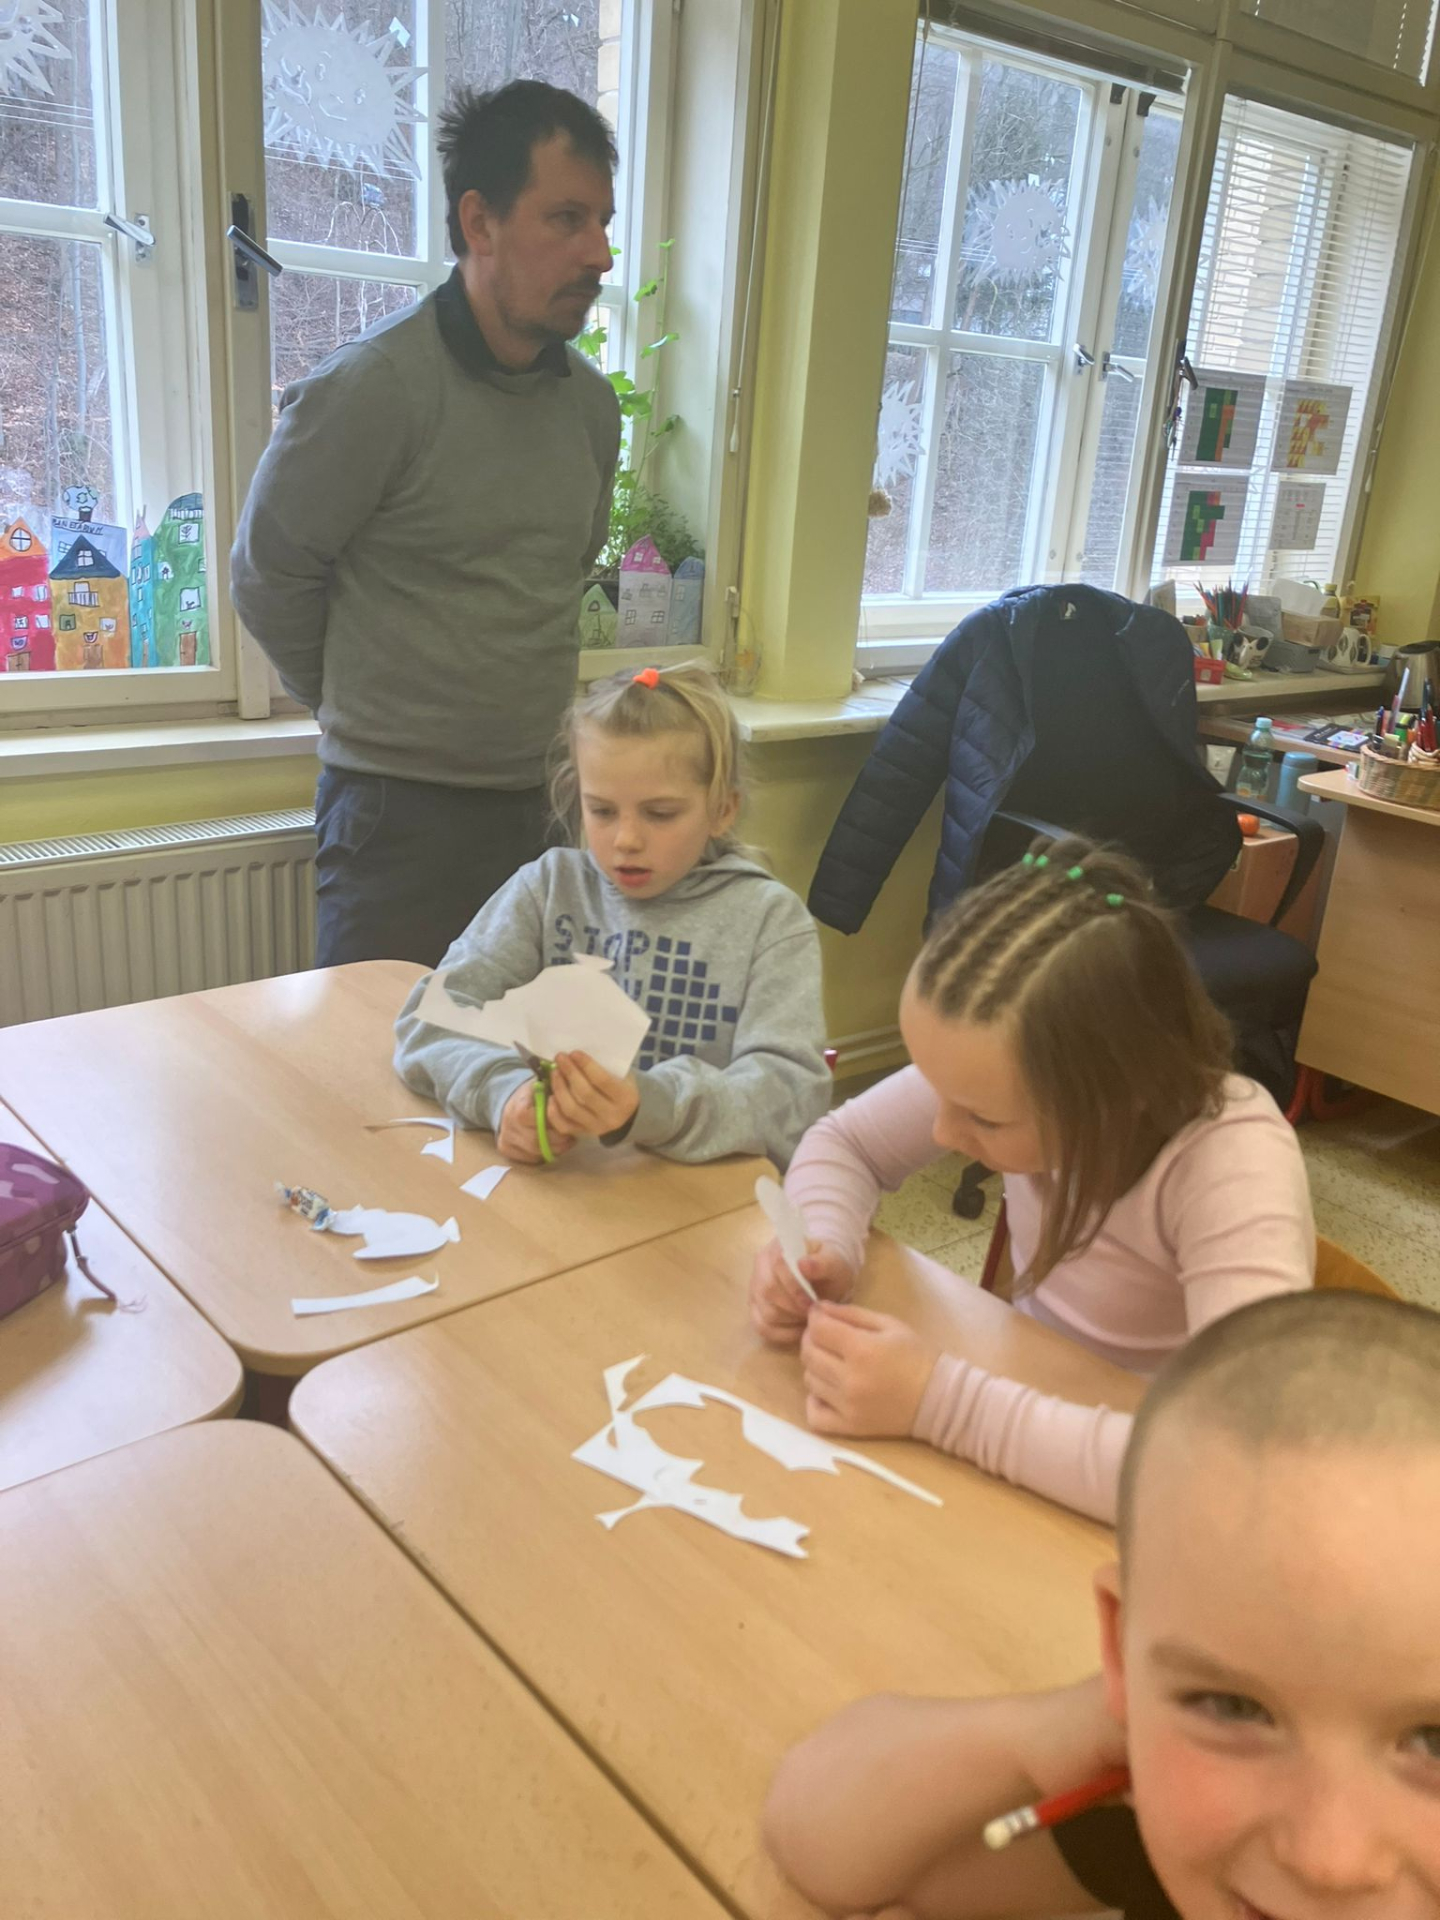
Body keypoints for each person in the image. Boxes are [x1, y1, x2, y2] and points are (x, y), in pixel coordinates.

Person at [762, 1288, 1440, 1920]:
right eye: (1232, 1706)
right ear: (1120, 1650)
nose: (1328, 1859)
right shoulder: (1157, 1816)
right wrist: (1043, 1731)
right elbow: (822, 1837)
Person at [749, 837, 1314, 1521]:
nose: (941, 1133)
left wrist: (940, 1403)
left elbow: (1232, 1460)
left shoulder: (1230, 1164)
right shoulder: (1011, 1062)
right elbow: (846, 1144)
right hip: (1035, 1425)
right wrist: (826, 1245)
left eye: (984, 1120)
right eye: (937, 1091)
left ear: (1118, 1092)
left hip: (1140, 1491)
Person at [231, 82, 622, 969]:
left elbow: (567, 568)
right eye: (567, 219)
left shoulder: (594, 410)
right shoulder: (372, 389)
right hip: (394, 818)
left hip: (546, 807)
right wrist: (361, 708)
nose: (599, 253)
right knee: (373, 1052)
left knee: (532, 1048)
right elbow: (267, 575)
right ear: (479, 221)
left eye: (603, 221)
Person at [393, 664, 831, 1167]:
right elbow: (428, 1019)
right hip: (567, 1187)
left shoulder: (769, 920)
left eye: (660, 814)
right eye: (601, 811)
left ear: (722, 810)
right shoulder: (548, 888)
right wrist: (503, 1094)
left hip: (703, 1195)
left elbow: (792, 1097)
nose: (626, 840)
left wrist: (653, 1106)